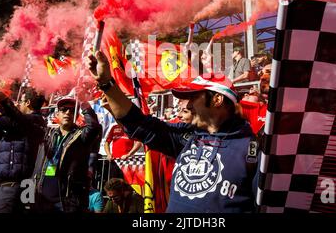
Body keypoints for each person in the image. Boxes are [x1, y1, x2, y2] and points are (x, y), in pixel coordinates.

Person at [86, 51, 259, 213]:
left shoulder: (253, 150)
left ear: (217, 99)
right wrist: (106, 83)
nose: (188, 105)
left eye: (194, 97)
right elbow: (138, 124)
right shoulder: (187, 136)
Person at [0, 88, 47, 213]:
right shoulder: (37, 121)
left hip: (10, 187)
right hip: (27, 185)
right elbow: (13, 117)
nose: (18, 104)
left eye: (21, 101)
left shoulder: (28, 121)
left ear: (27, 103)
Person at [32, 95, 101, 213]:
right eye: (64, 110)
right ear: (57, 114)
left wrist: (84, 102)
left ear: (76, 115)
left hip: (67, 200)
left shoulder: (81, 135)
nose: (68, 112)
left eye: (72, 110)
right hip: (43, 198)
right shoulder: (49, 134)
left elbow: (94, 126)